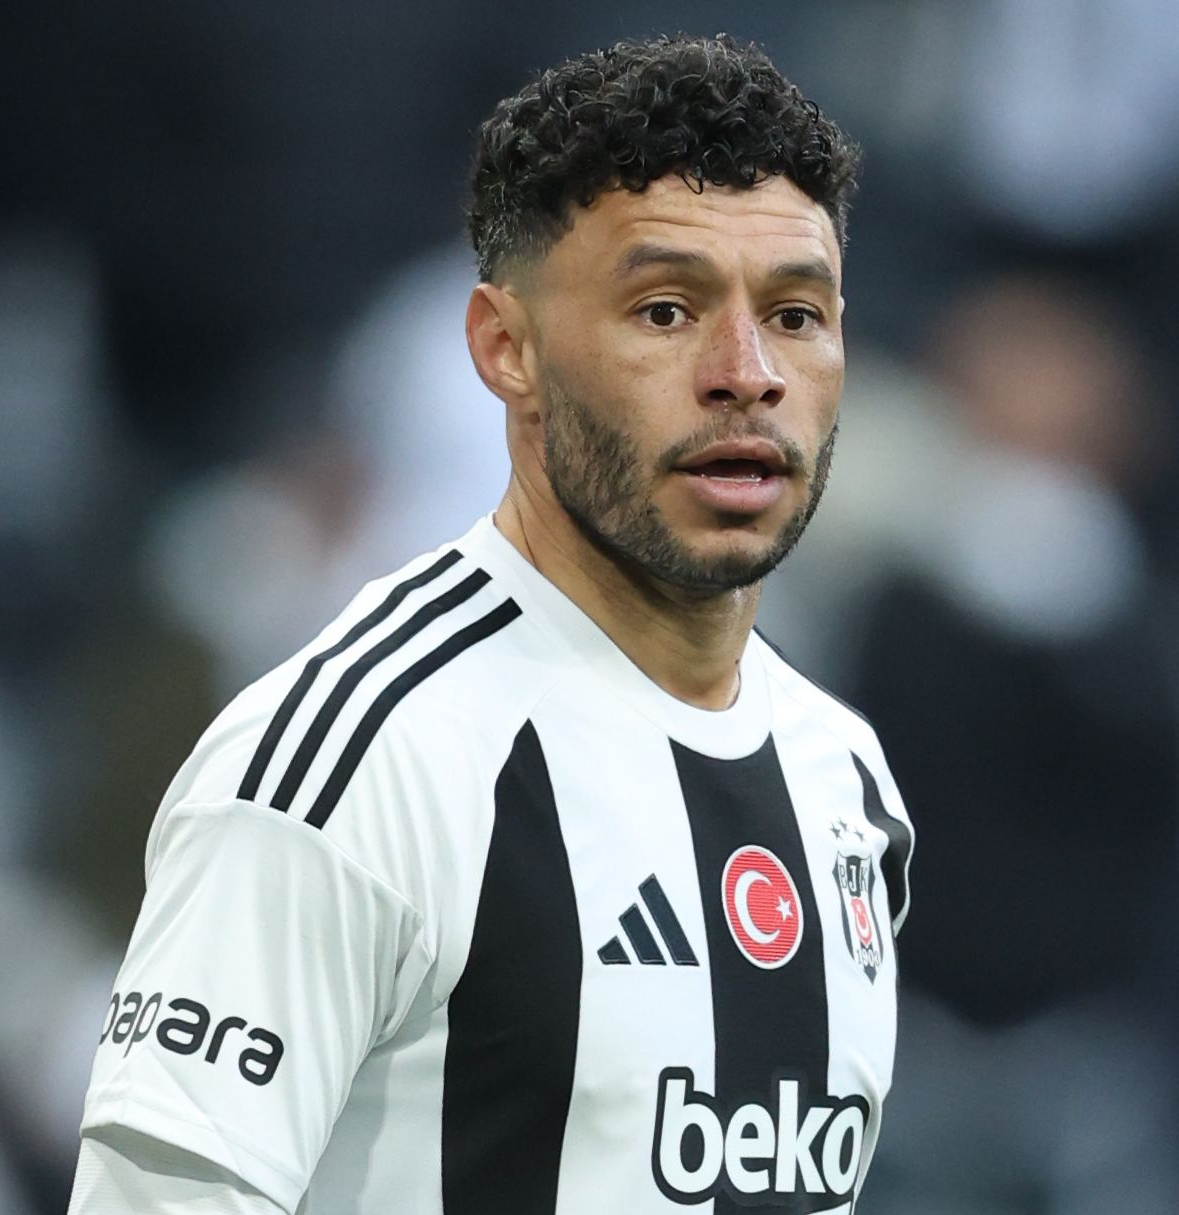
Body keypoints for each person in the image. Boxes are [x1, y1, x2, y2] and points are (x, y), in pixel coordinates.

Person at [67, 35, 913, 1215]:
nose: (746, 371)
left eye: (796, 313)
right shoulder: (359, 765)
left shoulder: (846, 781)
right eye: (665, 310)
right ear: (506, 350)